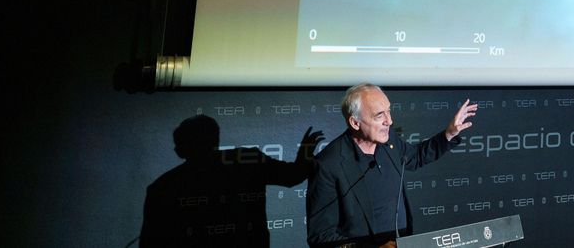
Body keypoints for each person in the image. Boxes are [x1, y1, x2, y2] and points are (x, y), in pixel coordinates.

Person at [306, 83, 478, 248]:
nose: (389, 121)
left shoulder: (389, 141)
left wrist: (449, 134)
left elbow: (415, 156)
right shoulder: (328, 165)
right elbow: (321, 236)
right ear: (355, 122)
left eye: (389, 111)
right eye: (379, 115)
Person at [141, 114, 324, 248]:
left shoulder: (162, 187)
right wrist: (305, 152)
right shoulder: (248, 160)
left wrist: (305, 153)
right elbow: (293, 176)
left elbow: (150, 242)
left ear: (180, 150)